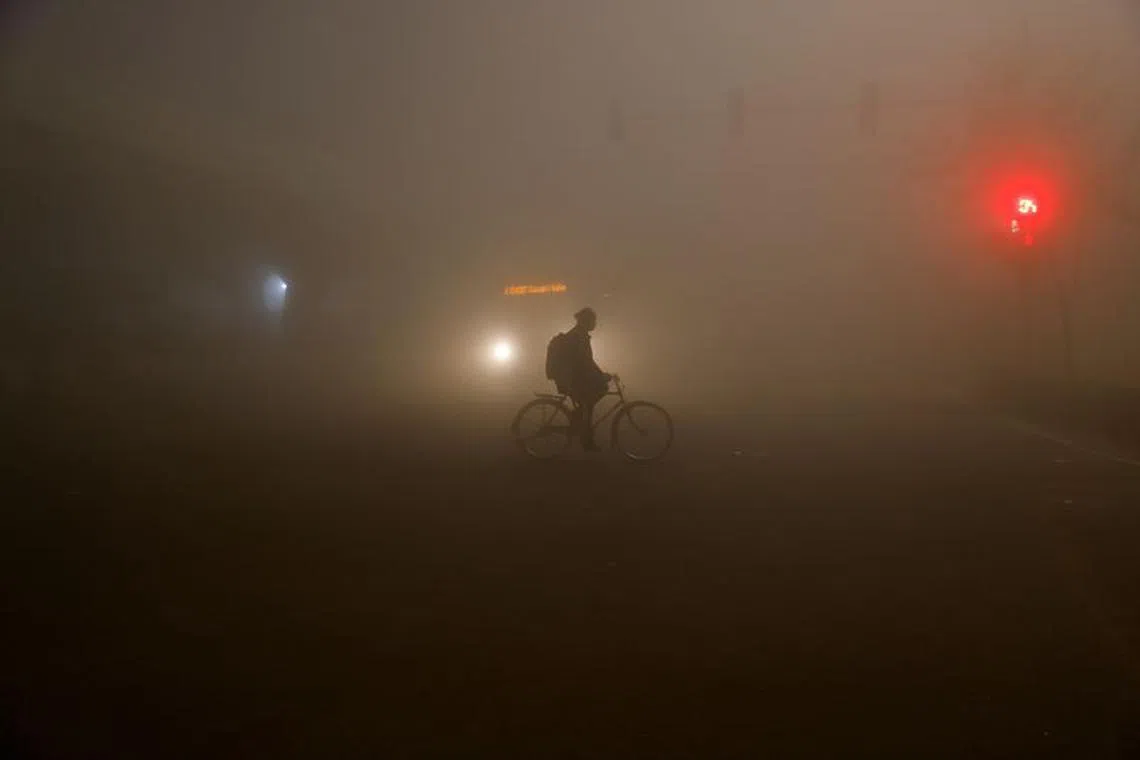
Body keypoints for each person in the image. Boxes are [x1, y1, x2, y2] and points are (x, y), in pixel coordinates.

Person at [563, 307, 611, 452]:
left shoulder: (580, 335)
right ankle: (585, 436)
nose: (595, 323)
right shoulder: (578, 337)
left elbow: (588, 362)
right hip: (572, 379)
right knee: (593, 397)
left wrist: (601, 374)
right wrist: (601, 376)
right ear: (586, 321)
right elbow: (585, 363)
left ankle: (585, 435)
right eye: (592, 320)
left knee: (589, 404)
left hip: (575, 376)